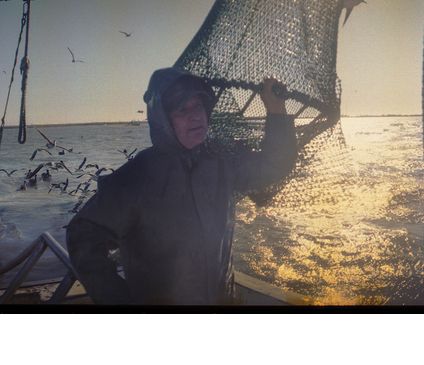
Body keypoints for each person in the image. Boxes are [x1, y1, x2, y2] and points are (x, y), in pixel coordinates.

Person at [65, 67, 296, 305]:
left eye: (198, 106)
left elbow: (274, 166)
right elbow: (82, 232)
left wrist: (276, 111)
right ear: (162, 118)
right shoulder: (136, 176)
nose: (195, 115)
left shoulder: (222, 160)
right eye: (181, 109)